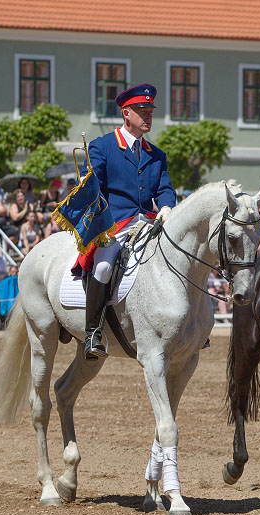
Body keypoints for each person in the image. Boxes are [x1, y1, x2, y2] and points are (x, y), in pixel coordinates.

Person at [80, 83, 176, 358]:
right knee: (103, 266)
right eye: (142, 110)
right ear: (126, 113)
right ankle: (92, 333)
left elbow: (165, 189)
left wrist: (167, 206)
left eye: (150, 110)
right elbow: (94, 186)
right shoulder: (103, 146)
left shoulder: (157, 155)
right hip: (116, 224)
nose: (148, 115)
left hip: (148, 222)